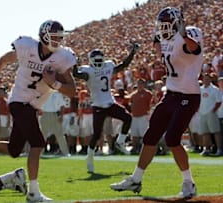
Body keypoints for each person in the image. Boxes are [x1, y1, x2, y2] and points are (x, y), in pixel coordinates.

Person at [0, 19, 77, 202]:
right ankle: (33, 193)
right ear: (43, 35)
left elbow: (72, 90)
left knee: (14, 149)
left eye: (59, 37)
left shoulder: (63, 57)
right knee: (38, 143)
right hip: (18, 101)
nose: (57, 41)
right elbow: (3, 60)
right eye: (54, 37)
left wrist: (54, 83)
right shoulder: (27, 47)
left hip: (32, 107)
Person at [110, 7, 203, 199]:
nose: (163, 29)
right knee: (150, 136)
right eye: (161, 26)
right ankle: (136, 179)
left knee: (172, 138)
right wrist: (157, 41)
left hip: (189, 96)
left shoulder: (191, 33)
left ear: (178, 24)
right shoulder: (165, 39)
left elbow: (193, 48)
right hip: (171, 95)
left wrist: (183, 34)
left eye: (167, 25)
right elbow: (161, 50)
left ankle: (189, 182)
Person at [72, 42, 139, 172]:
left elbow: (123, 65)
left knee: (128, 118)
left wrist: (132, 53)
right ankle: (90, 157)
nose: (98, 62)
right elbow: (77, 75)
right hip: (98, 106)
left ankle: (120, 142)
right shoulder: (91, 70)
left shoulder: (101, 67)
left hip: (109, 103)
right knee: (96, 135)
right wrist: (75, 64)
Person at [198, 73, 221, 156]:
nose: (206, 80)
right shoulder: (200, 89)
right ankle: (206, 149)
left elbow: (219, 102)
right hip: (202, 113)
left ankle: (219, 149)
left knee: (215, 132)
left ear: (210, 80)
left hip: (211, 113)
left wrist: (213, 111)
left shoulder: (215, 89)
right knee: (205, 132)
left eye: (207, 79)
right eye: (204, 79)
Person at [40, 90, 69, 156]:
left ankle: (65, 152)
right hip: (45, 114)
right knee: (42, 135)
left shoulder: (57, 93)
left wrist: (61, 116)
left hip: (54, 114)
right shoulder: (42, 92)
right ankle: (40, 152)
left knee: (60, 134)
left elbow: (62, 105)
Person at [129, 79, 153, 154]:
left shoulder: (148, 94)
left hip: (143, 116)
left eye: (141, 83)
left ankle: (144, 149)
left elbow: (151, 103)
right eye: (138, 83)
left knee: (144, 134)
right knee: (134, 134)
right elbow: (131, 103)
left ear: (144, 84)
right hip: (135, 116)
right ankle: (134, 148)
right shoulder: (133, 94)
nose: (140, 85)